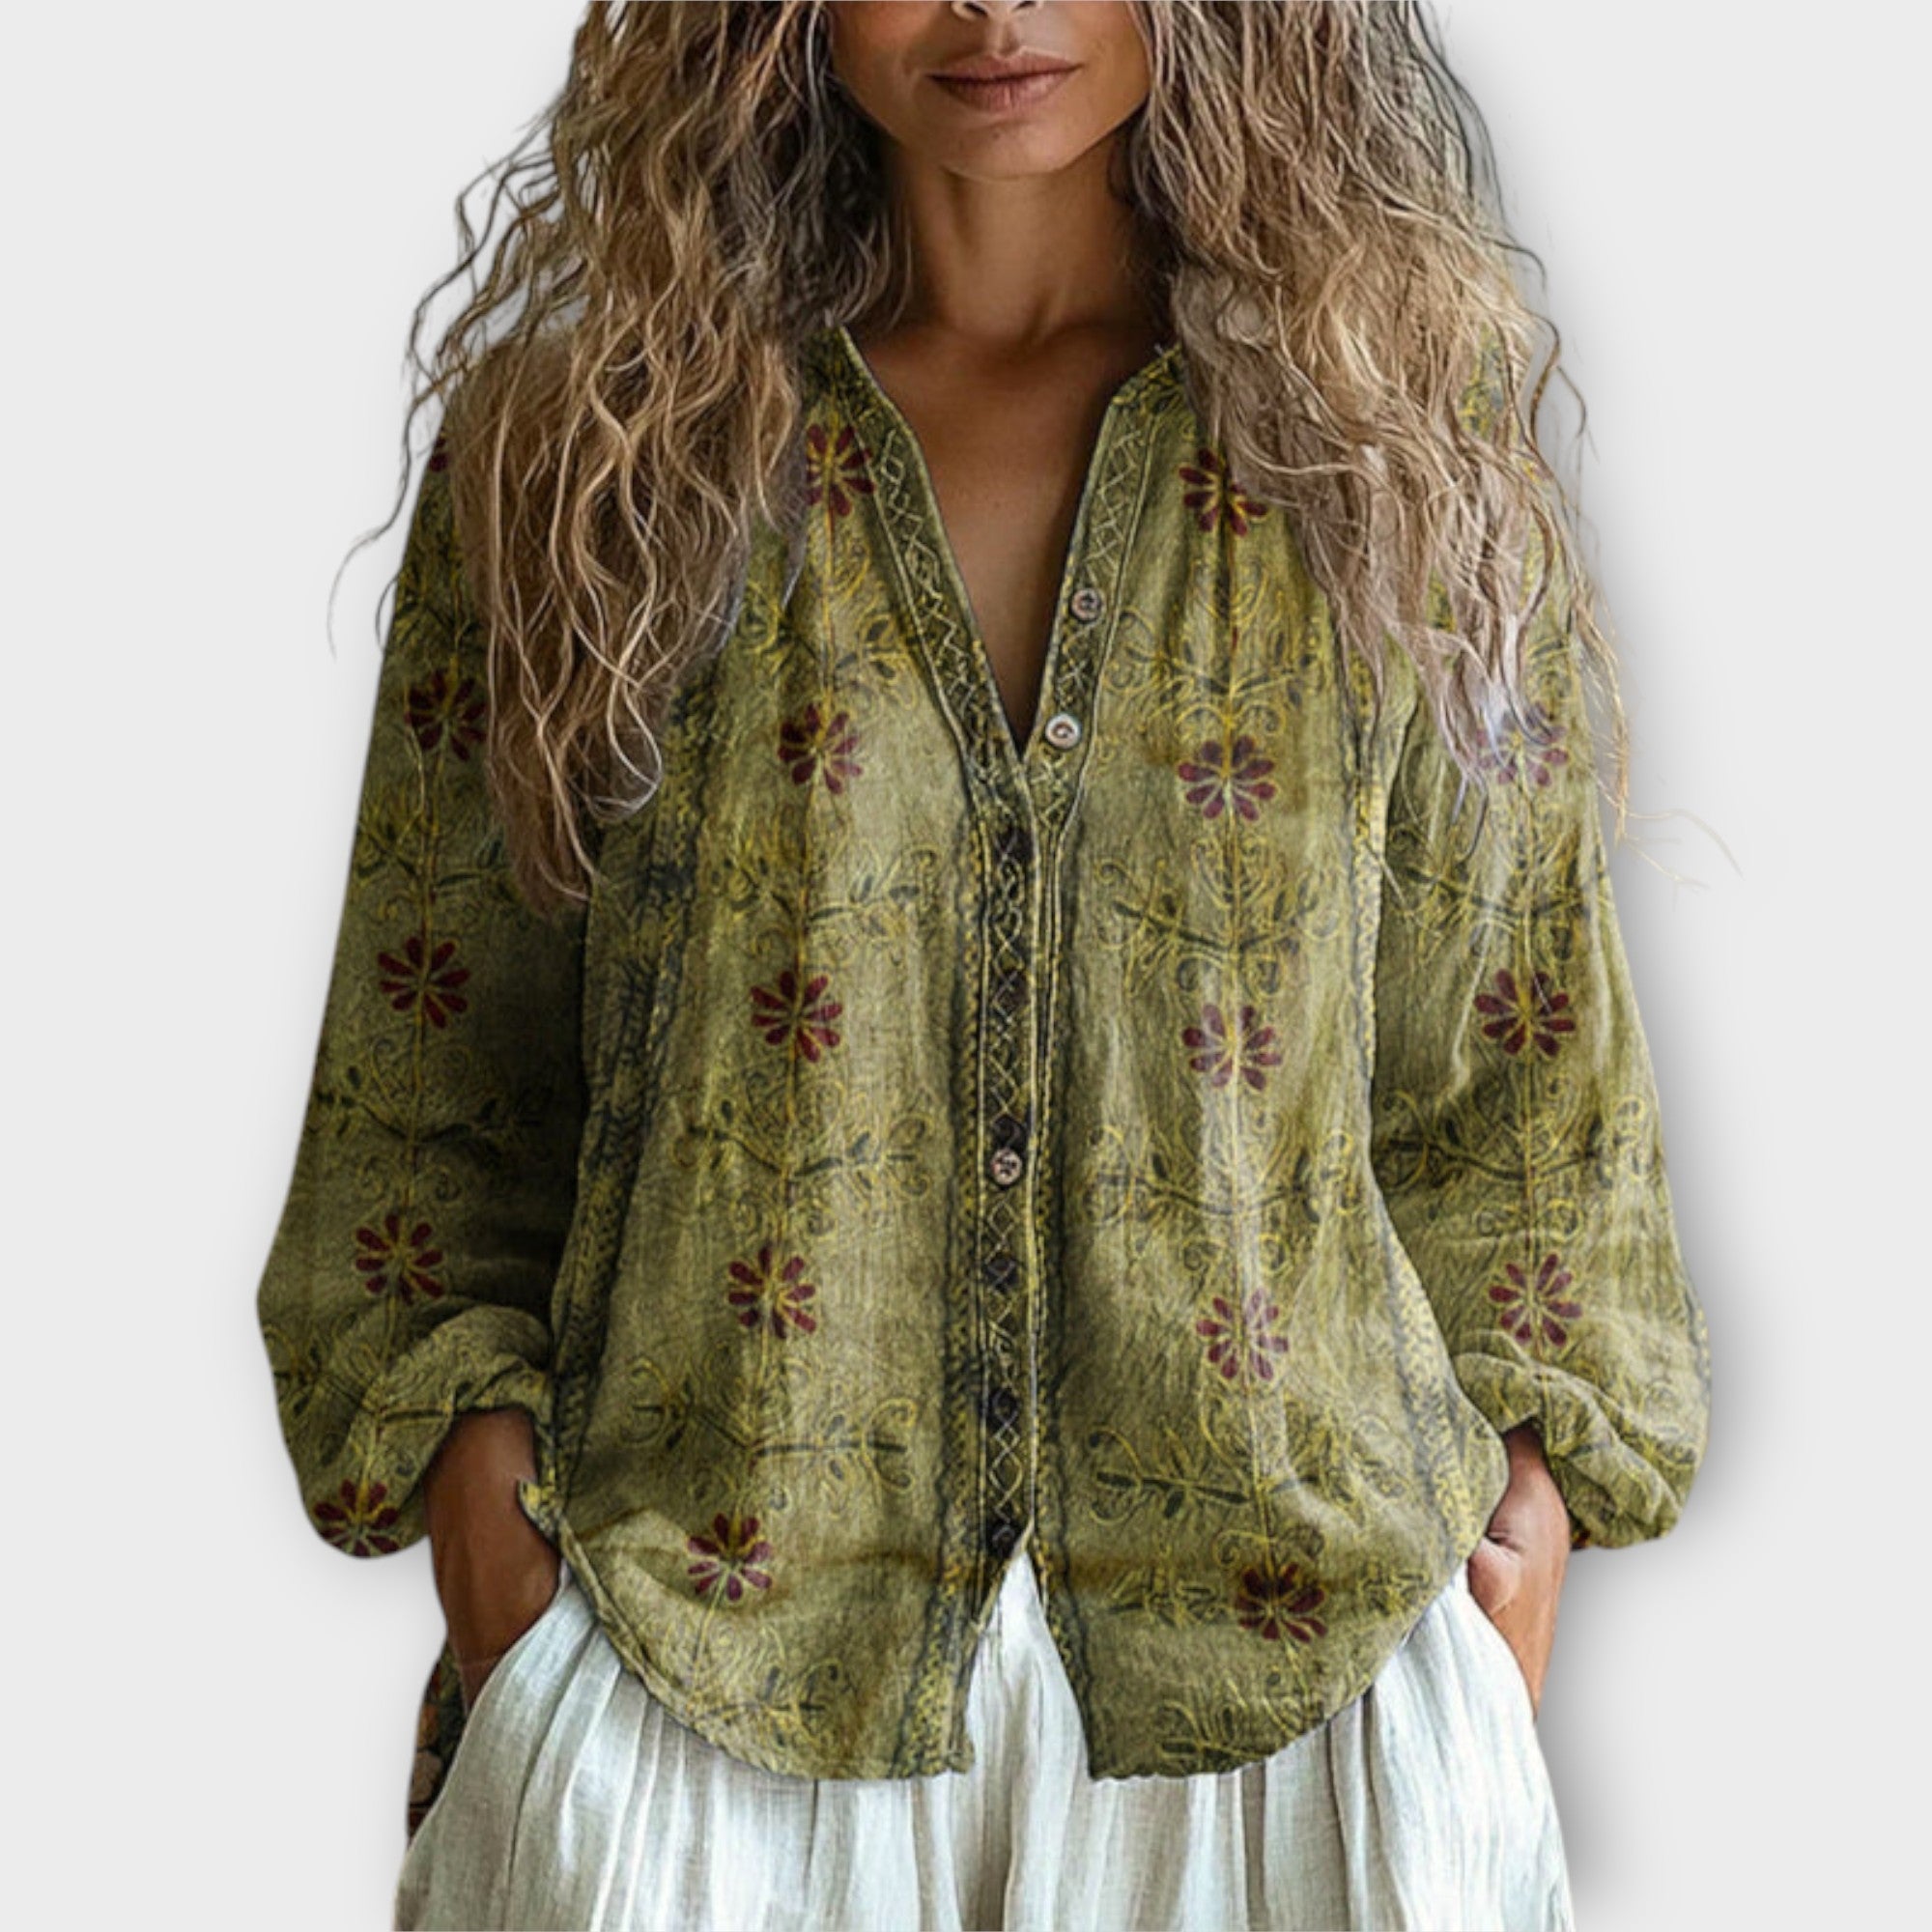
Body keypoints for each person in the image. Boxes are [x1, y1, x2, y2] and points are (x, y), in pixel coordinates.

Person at [254, 3, 1713, 1927]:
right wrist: (495, 1556)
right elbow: (431, 1068)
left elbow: (1525, 1082)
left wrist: (1518, 1541)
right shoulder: (591, 459)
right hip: (702, 1676)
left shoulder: (1380, 447)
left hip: (1298, 1694)